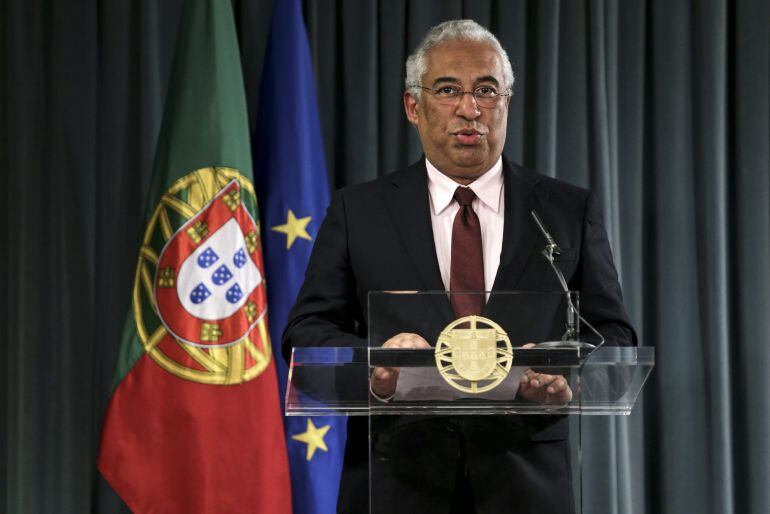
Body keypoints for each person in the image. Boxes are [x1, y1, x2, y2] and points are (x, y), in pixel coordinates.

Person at [282, 19, 635, 514]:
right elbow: (305, 334)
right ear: (413, 106)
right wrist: (376, 365)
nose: (470, 110)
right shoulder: (359, 211)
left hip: (526, 488)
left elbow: (614, 337)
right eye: (448, 90)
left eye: (486, 90)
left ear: (506, 102)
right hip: (396, 484)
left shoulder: (564, 211)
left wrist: (563, 370)